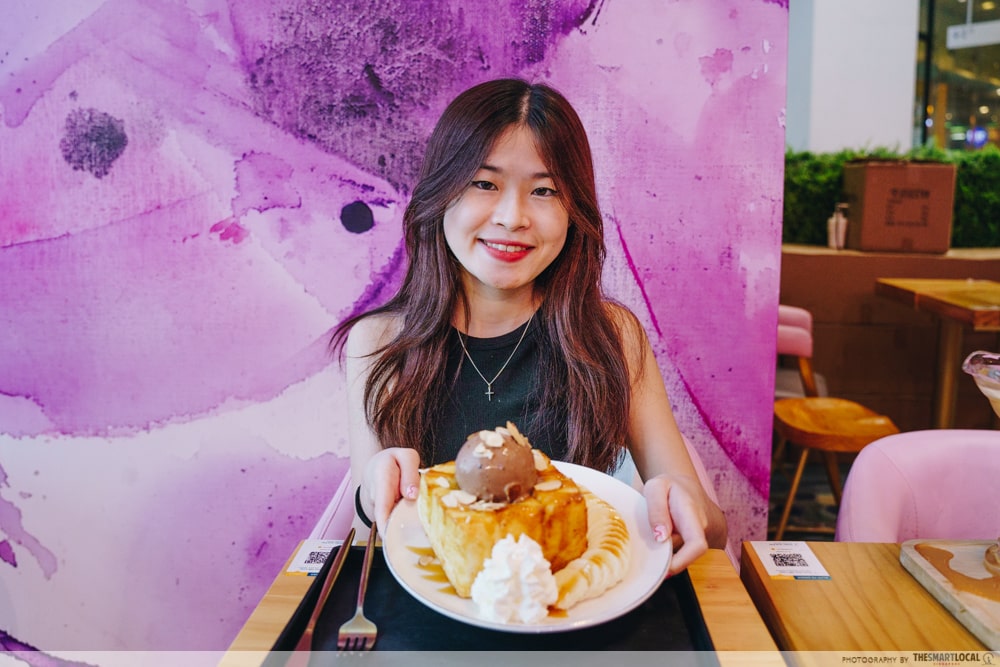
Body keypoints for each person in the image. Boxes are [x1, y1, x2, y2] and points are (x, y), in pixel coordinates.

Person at [330, 78, 727, 574]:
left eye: (543, 190)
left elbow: (712, 529)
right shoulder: (381, 342)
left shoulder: (612, 335)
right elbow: (369, 537)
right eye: (484, 184)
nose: (512, 217)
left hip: (571, 600)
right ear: (441, 193)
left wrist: (687, 505)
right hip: (434, 598)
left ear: (574, 210)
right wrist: (373, 492)